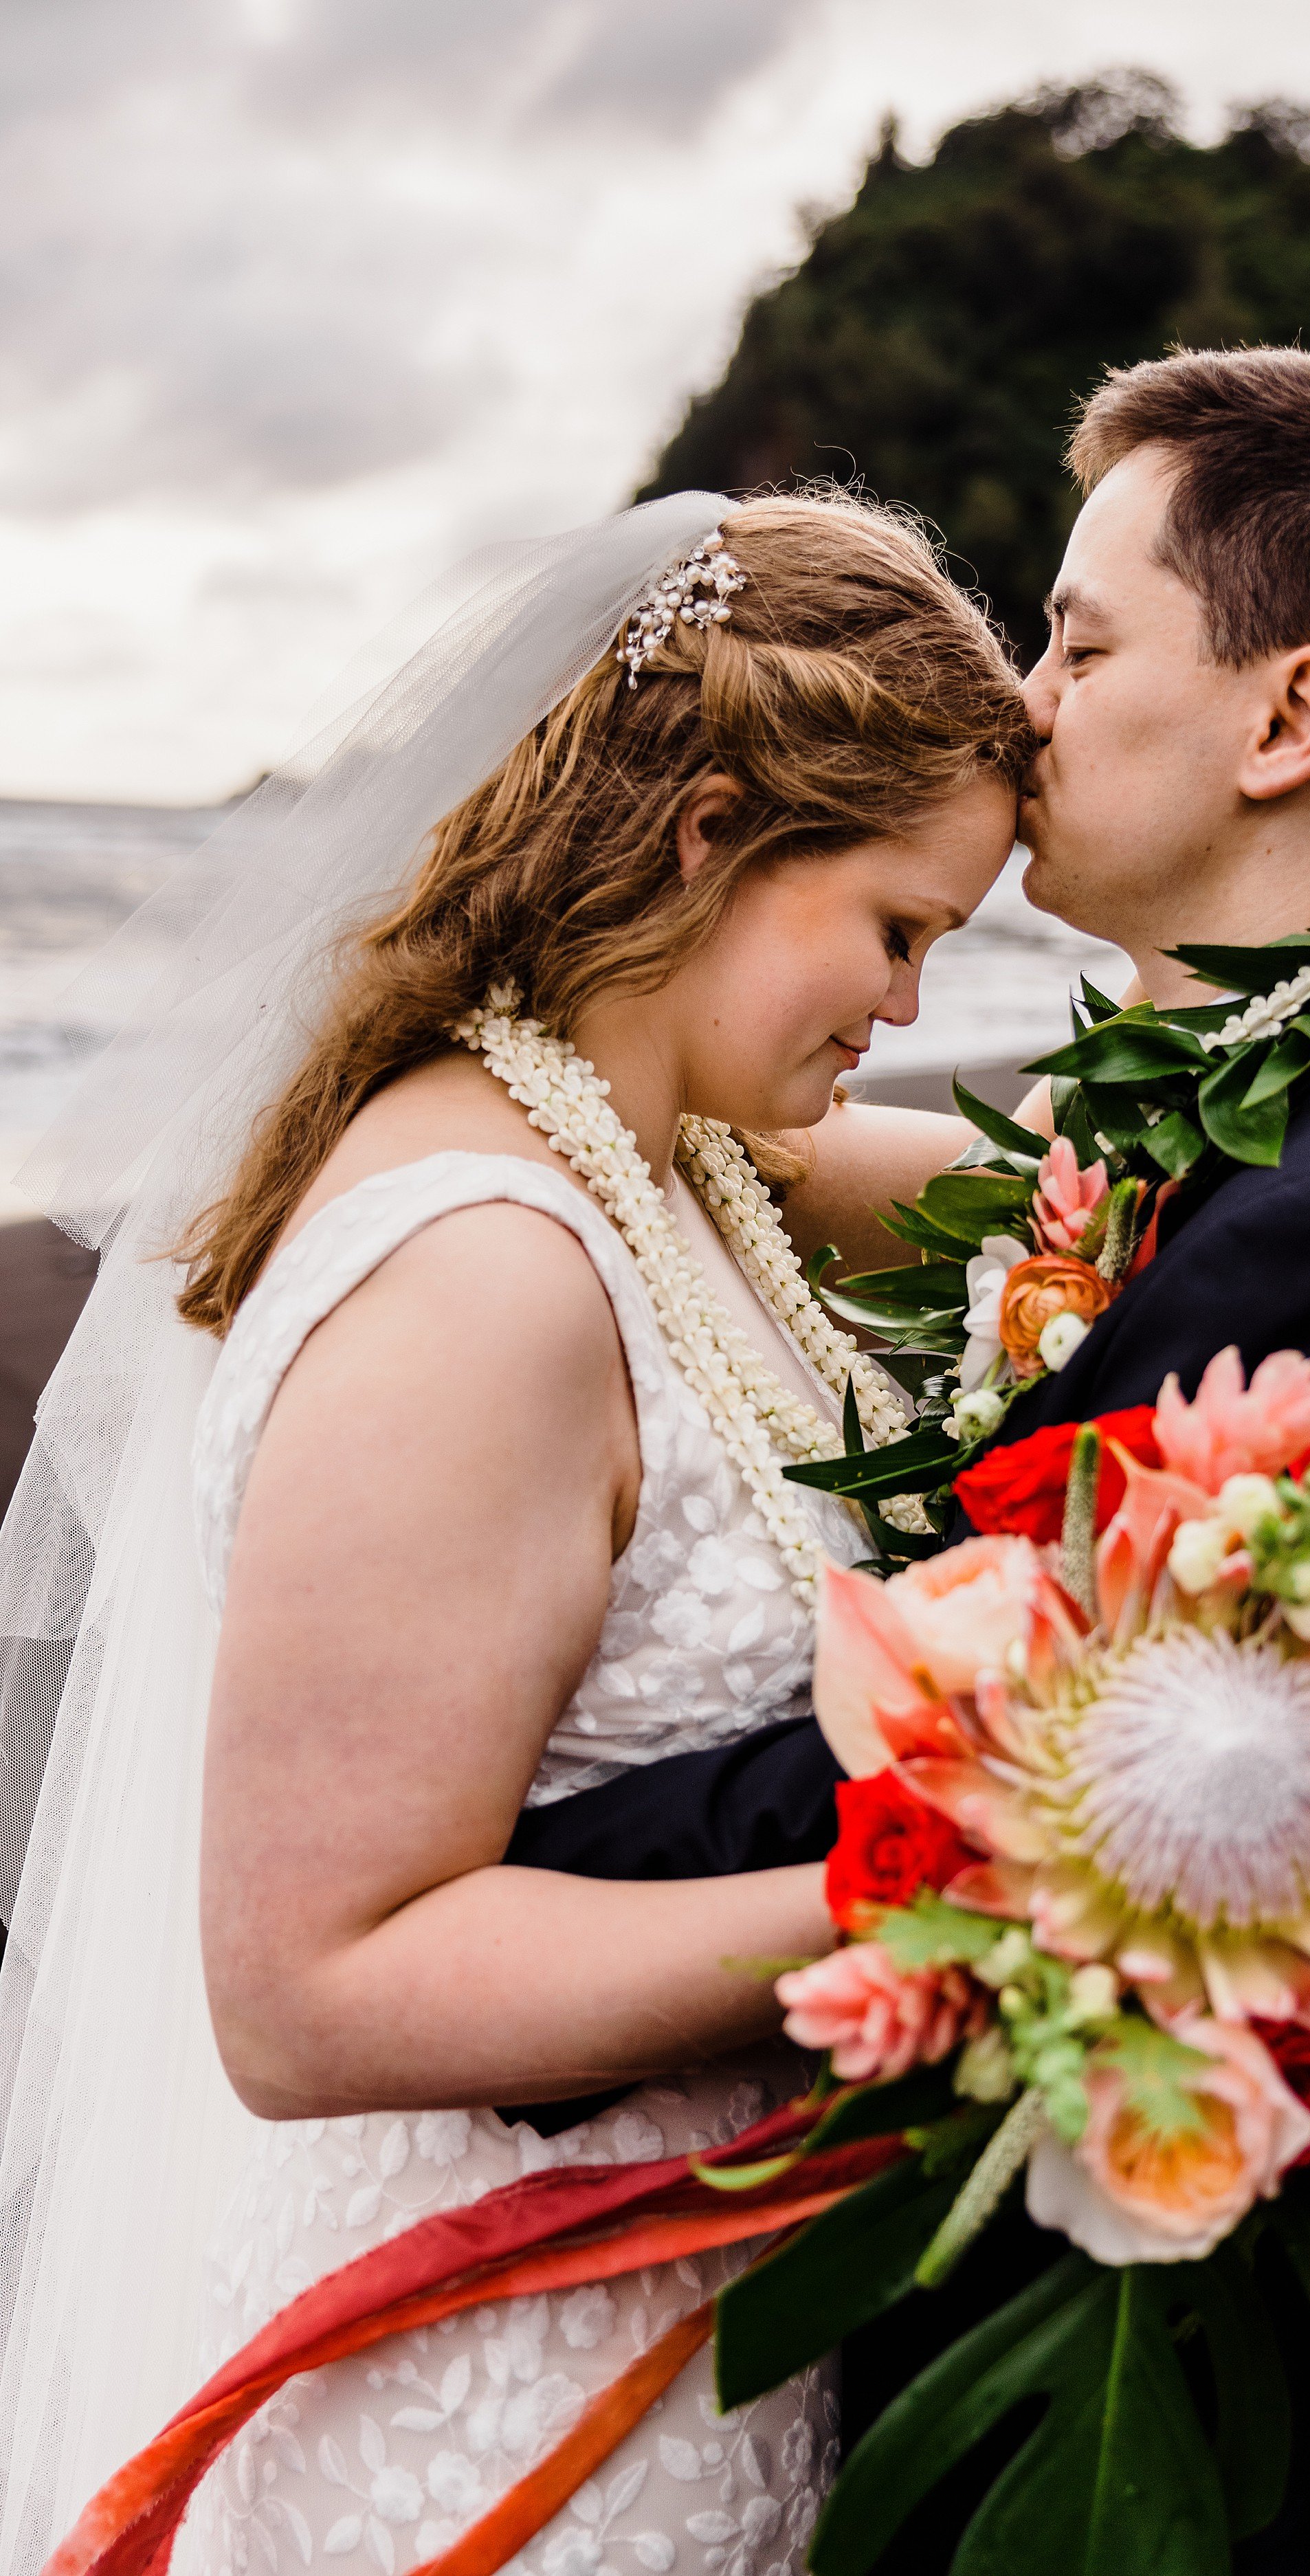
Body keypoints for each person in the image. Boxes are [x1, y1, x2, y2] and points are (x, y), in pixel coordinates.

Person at [531, 353, 1310, 2573]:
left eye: (1084, 643)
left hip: (1186, 2385)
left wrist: (488, 1882)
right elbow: (963, 1173)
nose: (1025, 708)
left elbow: (997, 1766)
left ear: (1286, 718)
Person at [0, 490, 1031, 2576]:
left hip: (684, 2319)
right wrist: (976, 1898)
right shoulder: (481, 1275)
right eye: (900, 928)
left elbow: (1072, 1173)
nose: (911, 1008)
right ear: (708, 830)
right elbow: (307, 1991)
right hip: (489, 2386)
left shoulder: (690, 1157)